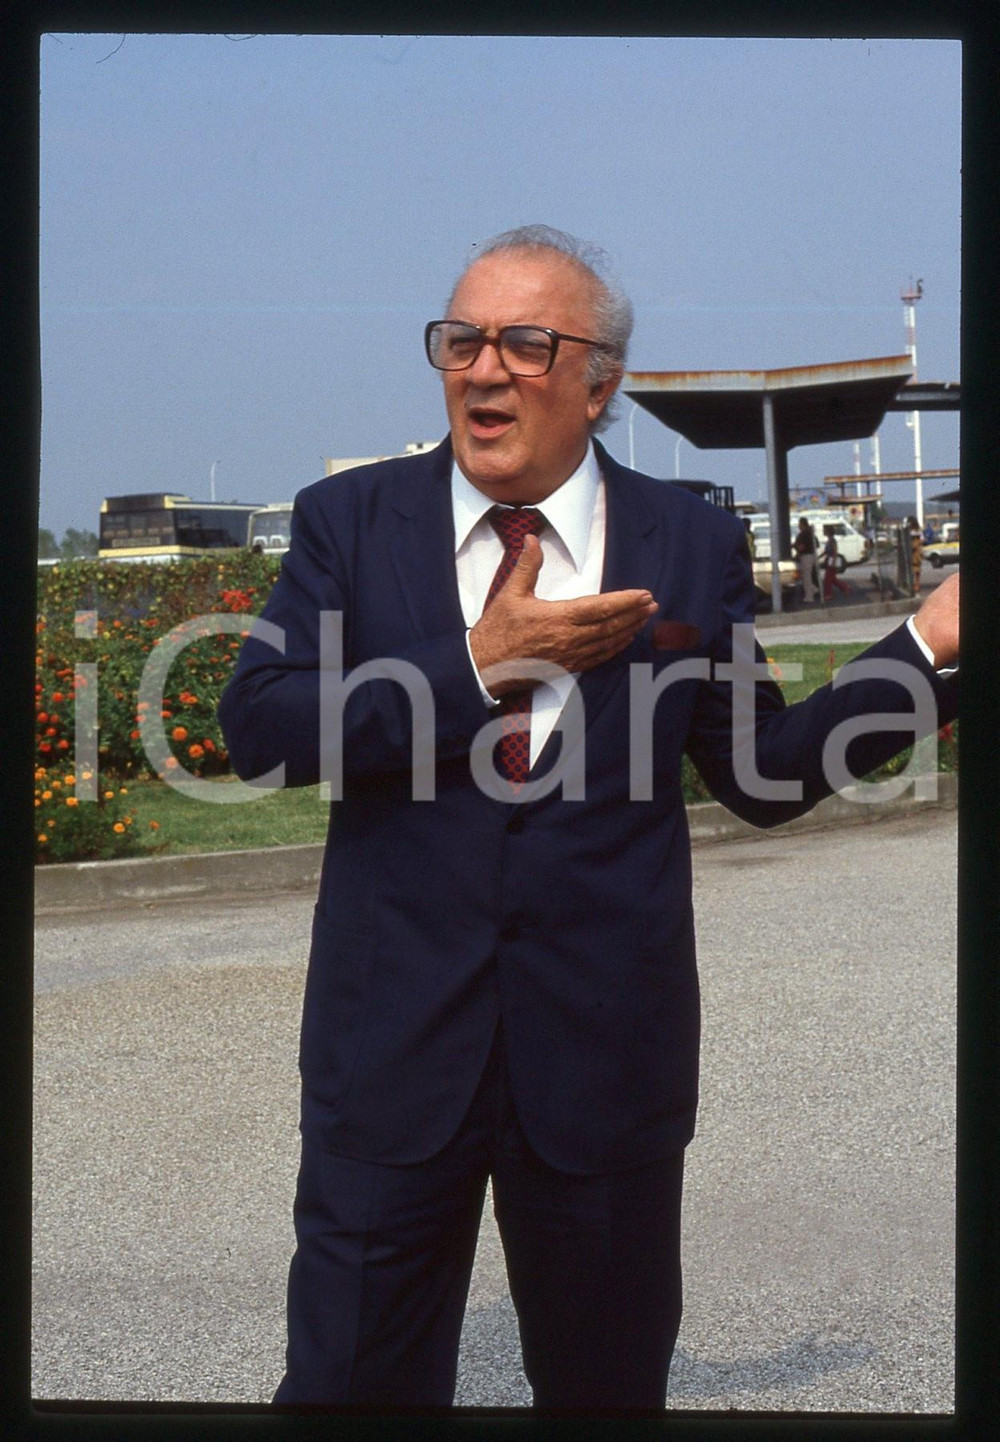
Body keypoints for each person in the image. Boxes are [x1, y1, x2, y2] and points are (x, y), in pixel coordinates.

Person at [218, 225, 959, 1411]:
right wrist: (473, 663)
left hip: (606, 1065)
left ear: (598, 381)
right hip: (392, 1060)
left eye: (523, 341)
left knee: (607, 1394)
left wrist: (929, 643)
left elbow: (760, 774)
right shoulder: (346, 522)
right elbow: (253, 727)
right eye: (460, 338)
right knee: (347, 1386)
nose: (482, 366)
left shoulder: (688, 539)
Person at [792, 515, 819, 604]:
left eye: (799, 524)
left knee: (806, 577)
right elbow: (817, 544)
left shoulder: (803, 534)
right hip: (812, 555)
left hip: (806, 556)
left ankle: (809, 596)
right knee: (806, 576)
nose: (798, 526)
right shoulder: (811, 533)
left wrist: (797, 548)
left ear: (802, 524)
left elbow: (801, 546)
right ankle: (813, 589)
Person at [821, 524, 851, 602]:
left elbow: (835, 550)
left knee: (827, 579)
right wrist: (820, 556)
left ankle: (828, 594)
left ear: (828, 531)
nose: (823, 531)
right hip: (829, 559)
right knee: (833, 579)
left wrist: (834, 560)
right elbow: (827, 550)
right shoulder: (829, 540)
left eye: (824, 530)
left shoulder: (832, 540)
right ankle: (845, 588)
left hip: (831, 560)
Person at [909, 516, 924, 595]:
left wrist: (916, 543)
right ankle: (914, 584)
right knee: (912, 569)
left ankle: (917, 585)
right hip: (911, 551)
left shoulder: (918, 530)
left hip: (916, 552)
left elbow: (922, 539)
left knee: (917, 569)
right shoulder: (909, 531)